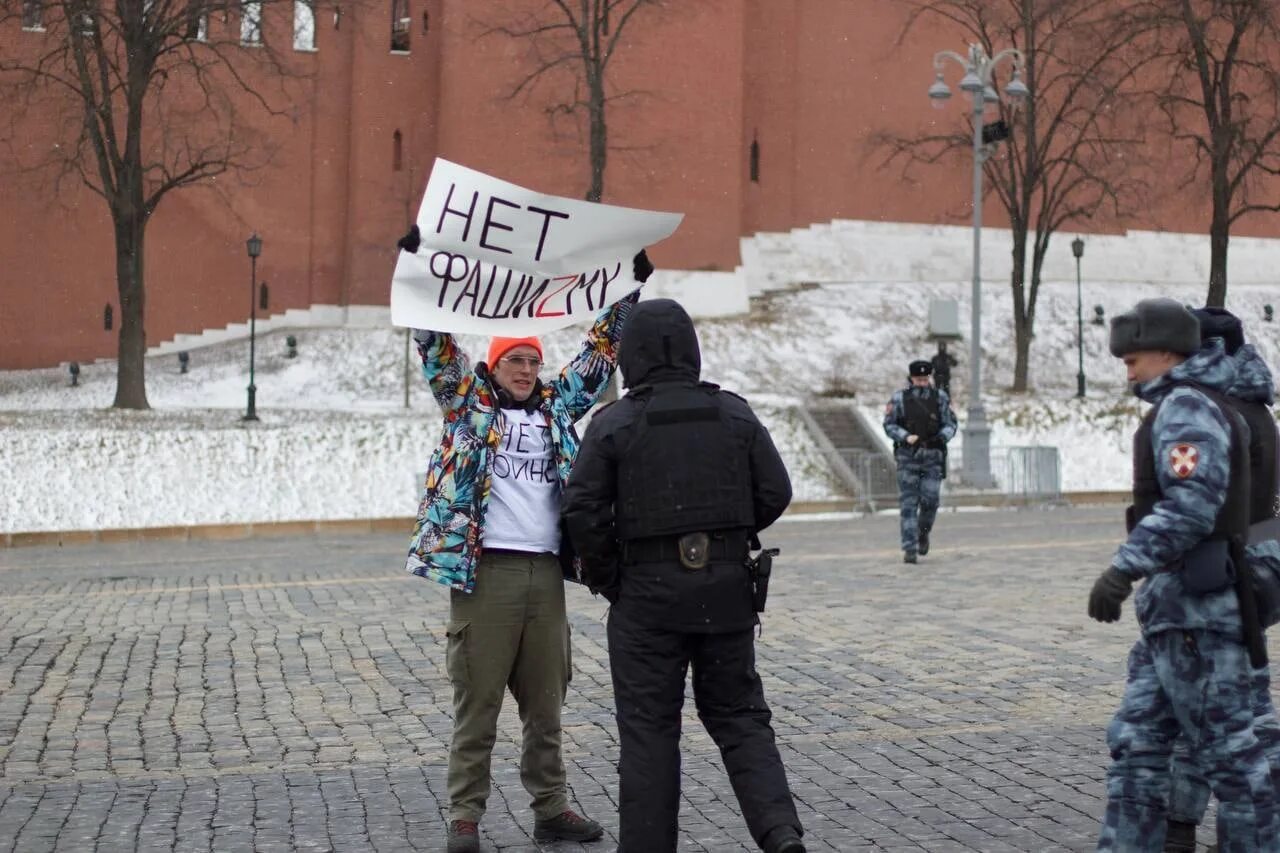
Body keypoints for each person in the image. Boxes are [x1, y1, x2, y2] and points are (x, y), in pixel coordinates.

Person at [397, 225, 655, 853]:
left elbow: (599, 353)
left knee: (546, 706)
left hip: (544, 574)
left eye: (535, 360)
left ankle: (551, 808)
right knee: (478, 704)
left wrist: (631, 287)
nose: (528, 369)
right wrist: (411, 265)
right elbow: (433, 342)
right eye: (517, 359)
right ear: (493, 363)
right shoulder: (465, 404)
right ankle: (465, 817)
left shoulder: (556, 409)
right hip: (484, 575)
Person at [561, 298, 805, 853]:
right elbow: (776, 491)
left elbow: (582, 510)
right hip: (725, 595)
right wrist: (726, 540)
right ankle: (781, 834)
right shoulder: (735, 414)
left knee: (649, 732)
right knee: (742, 718)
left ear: (632, 357)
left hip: (646, 600)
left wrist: (609, 577)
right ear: (691, 350)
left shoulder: (615, 423)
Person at [1088, 298, 1277, 851]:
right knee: (1139, 744)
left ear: (1168, 353)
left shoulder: (1186, 408)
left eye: (1134, 360)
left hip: (1199, 612)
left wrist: (1123, 570)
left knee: (1231, 757)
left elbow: (1193, 506)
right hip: (1177, 611)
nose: (1128, 371)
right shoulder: (1209, 402)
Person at [1164, 307, 1280, 853]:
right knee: (1241, 703)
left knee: (1207, 707)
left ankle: (1184, 824)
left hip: (1216, 573)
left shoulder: (1211, 409)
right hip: (1261, 564)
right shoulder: (1258, 406)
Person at [882, 359, 957, 564]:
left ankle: (922, 533)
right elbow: (889, 425)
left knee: (930, 501)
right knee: (908, 504)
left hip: (933, 458)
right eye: (918, 379)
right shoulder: (899, 399)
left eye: (925, 379)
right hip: (908, 458)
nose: (922, 382)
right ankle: (910, 548)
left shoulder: (940, 398)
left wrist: (942, 437)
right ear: (911, 378)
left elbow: (951, 423)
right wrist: (905, 436)